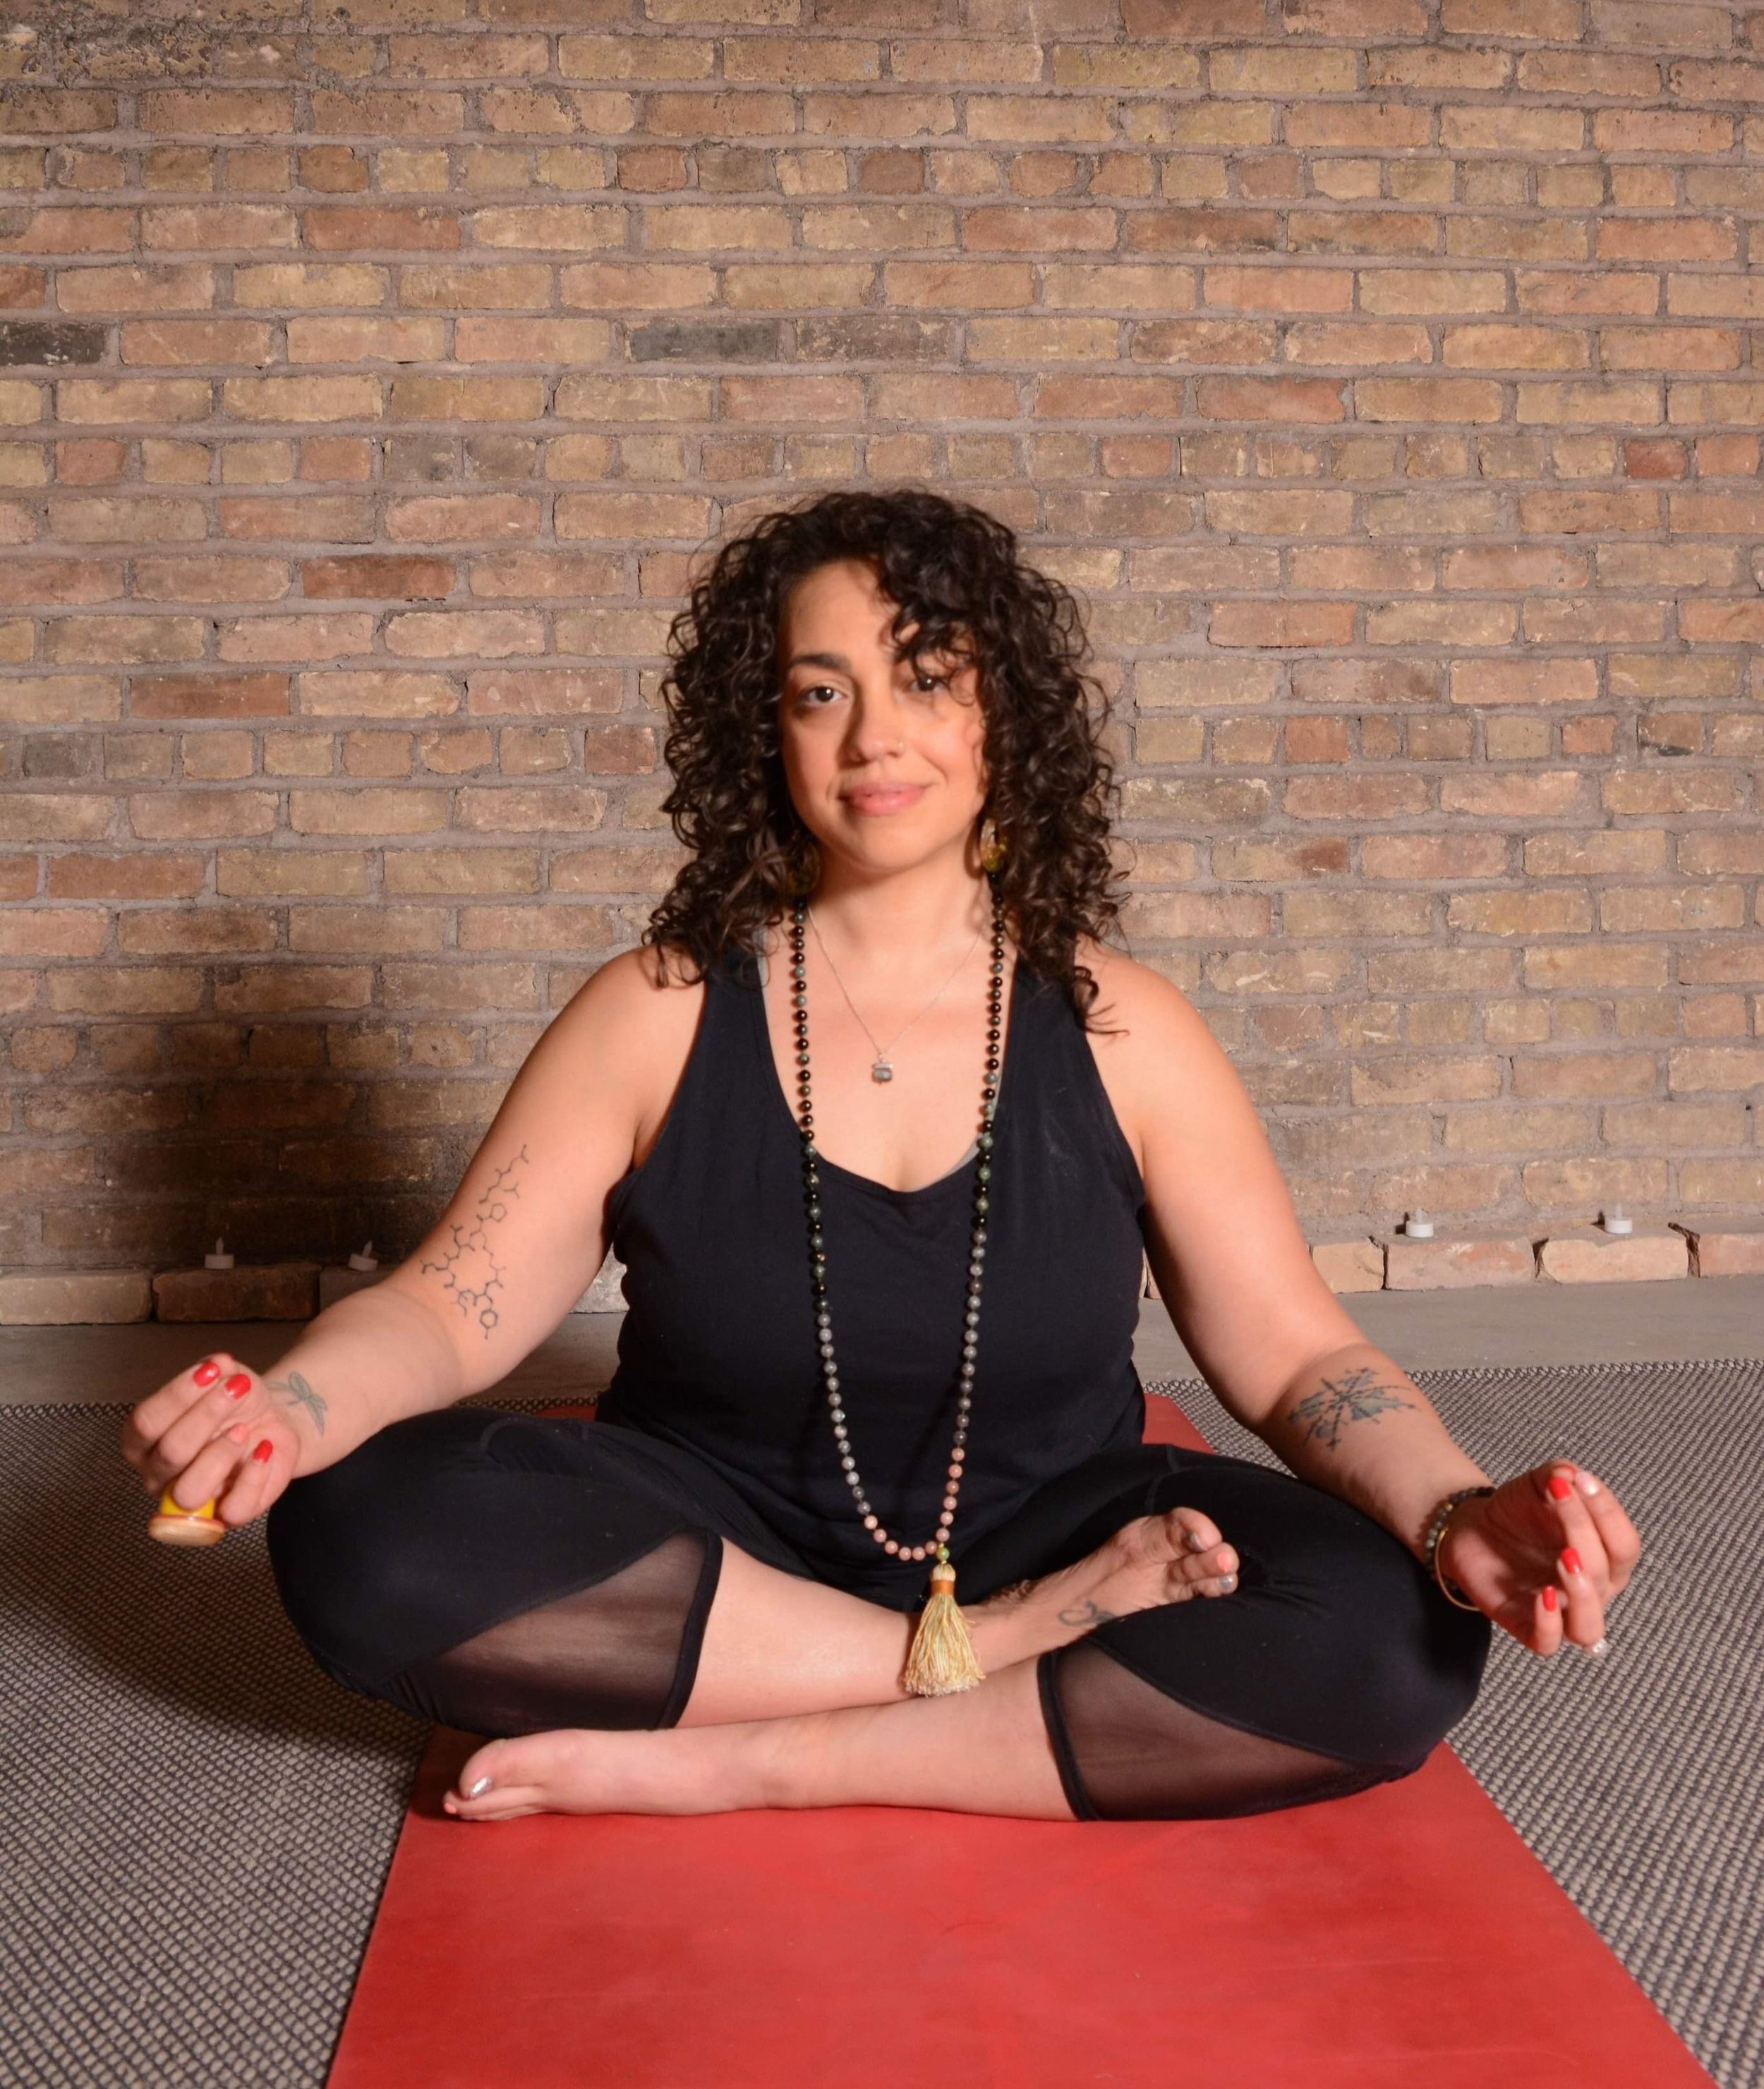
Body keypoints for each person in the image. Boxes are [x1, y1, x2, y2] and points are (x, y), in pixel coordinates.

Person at [120, 488, 1641, 1827]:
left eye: (925, 679)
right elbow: (455, 1299)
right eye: (817, 690)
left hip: (1059, 1522)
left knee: (1392, 1628)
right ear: (760, 728)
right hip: (714, 1548)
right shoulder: (653, 1008)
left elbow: (1295, 1351)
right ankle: (972, 1663)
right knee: (360, 1524)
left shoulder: (1125, 1028)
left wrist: (1453, 1513)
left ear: (1004, 718)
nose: (872, 739)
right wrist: (290, 1411)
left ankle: (749, 1758)